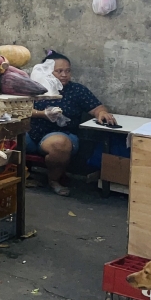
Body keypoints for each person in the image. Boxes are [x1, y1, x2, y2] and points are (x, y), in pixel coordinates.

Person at [27, 51, 116, 197]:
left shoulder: (77, 90)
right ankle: (19, 176)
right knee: (4, 134)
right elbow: (19, 110)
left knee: (59, 144)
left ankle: (54, 180)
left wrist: (102, 113)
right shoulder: (34, 88)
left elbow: (97, 107)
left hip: (60, 134)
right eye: (59, 71)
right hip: (31, 133)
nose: (64, 75)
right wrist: (42, 114)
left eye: (67, 71)